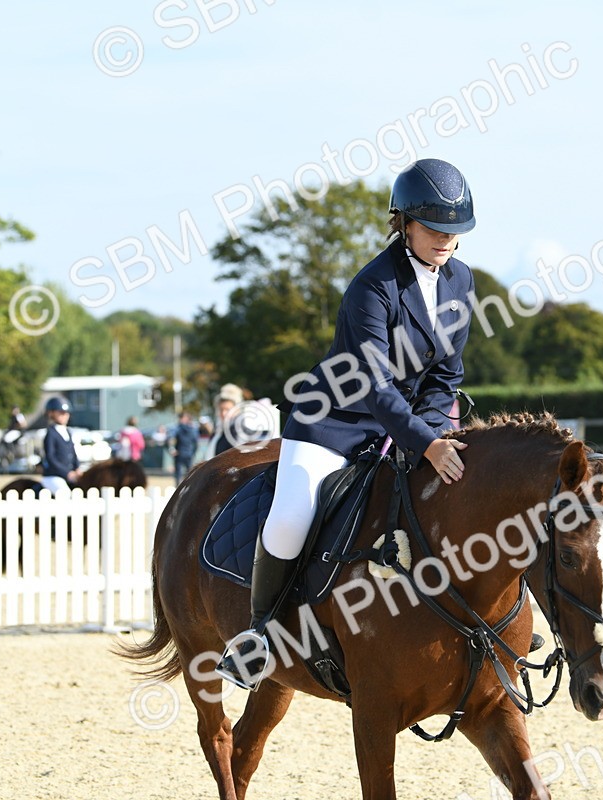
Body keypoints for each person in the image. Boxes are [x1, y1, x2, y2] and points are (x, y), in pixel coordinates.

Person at [216, 158, 476, 689]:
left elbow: (445, 375)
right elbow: (376, 386)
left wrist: (430, 432)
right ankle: (259, 634)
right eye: (433, 228)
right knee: (292, 514)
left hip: (401, 425)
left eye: (454, 231)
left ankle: (482, 621)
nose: (445, 240)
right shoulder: (373, 286)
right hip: (334, 421)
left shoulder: (460, 280)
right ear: (403, 222)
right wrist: (426, 443)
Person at [40, 396, 81, 495]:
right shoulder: (51, 433)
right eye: (61, 413)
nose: (65, 416)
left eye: (66, 413)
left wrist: (77, 468)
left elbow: (73, 453)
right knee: (65, 493)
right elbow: (51, 458)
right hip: (53, 476)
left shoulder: (68, 432)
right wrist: (66, 473)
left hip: (69, 475)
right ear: (51, 413)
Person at [206, 383, 245, 457]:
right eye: (221, 410)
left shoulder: (238, 432)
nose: (224, 413)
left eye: (227, 409)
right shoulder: (218, 431)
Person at [170, 411, 198, 481]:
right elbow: (196, 443)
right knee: (189, 474)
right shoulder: (193, 429)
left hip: (180, 453)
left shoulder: (178, 428)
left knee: (179, 474)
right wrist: (193, 452)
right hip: (188, 453)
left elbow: (171, 438)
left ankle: (178, 488)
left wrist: (172, 449)